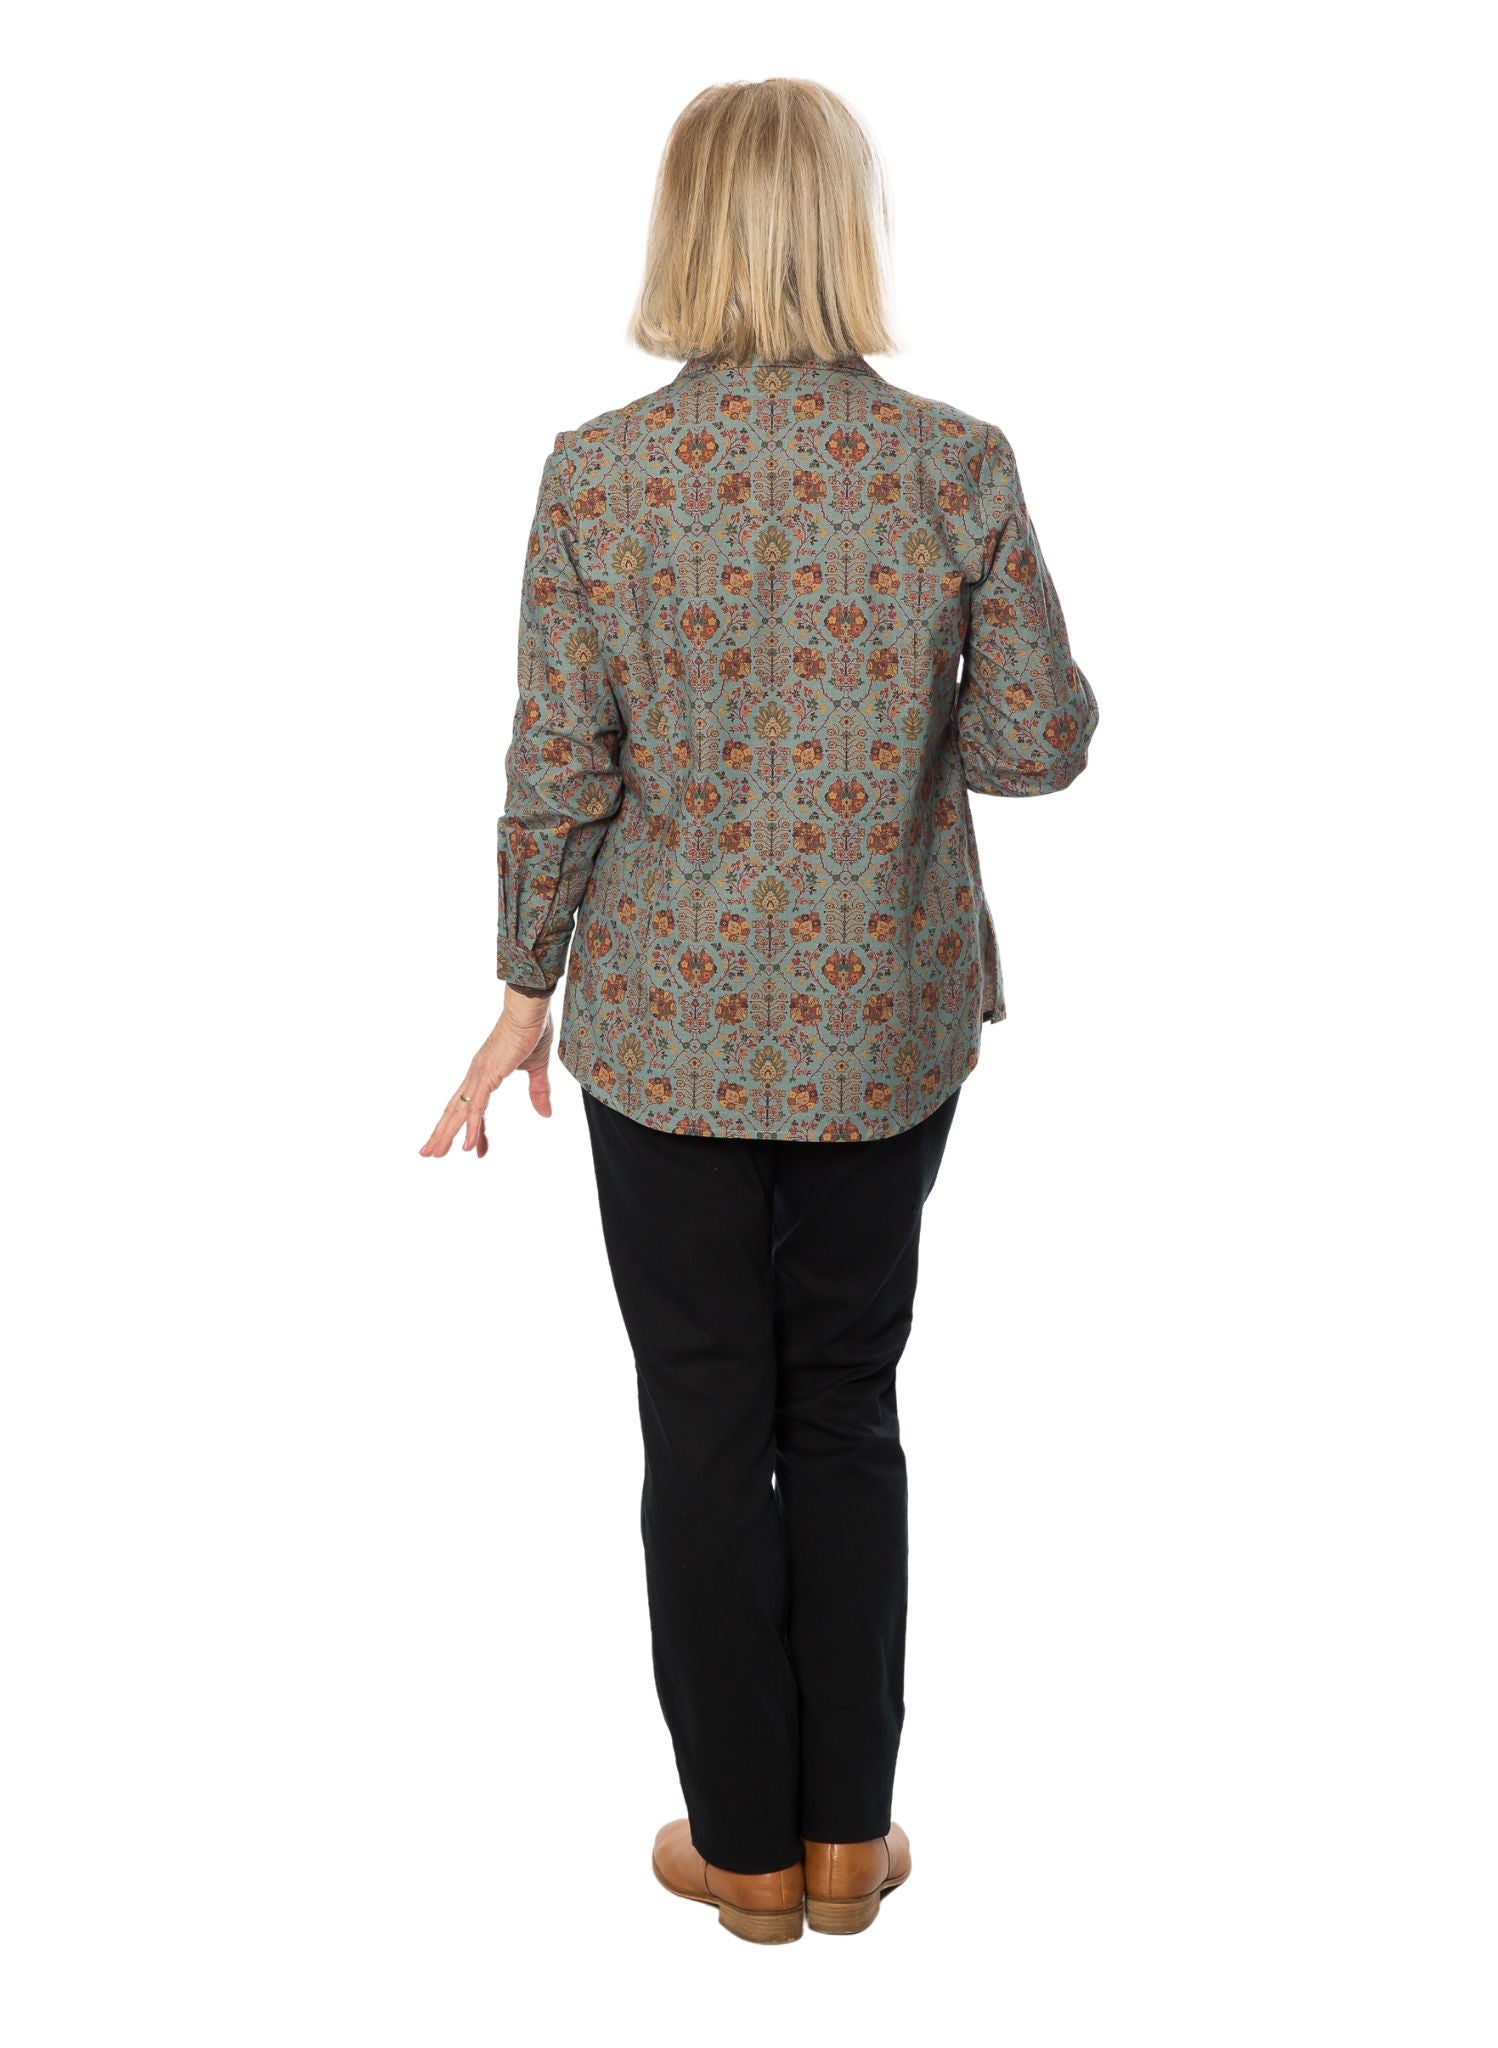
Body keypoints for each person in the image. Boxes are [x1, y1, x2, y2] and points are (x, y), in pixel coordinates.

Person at [420, 77, 1099, 1943]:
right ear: (842, 232)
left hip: (666, 1031)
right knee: (848, 1401)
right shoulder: (955, 463)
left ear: (685, 231)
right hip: (883, 1017)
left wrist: (522, 988)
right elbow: (1038, 746)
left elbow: (558, 766)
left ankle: (743, 1853)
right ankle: (848, 1845)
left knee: (706, 1415)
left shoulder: (598, 473)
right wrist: (905, 709)